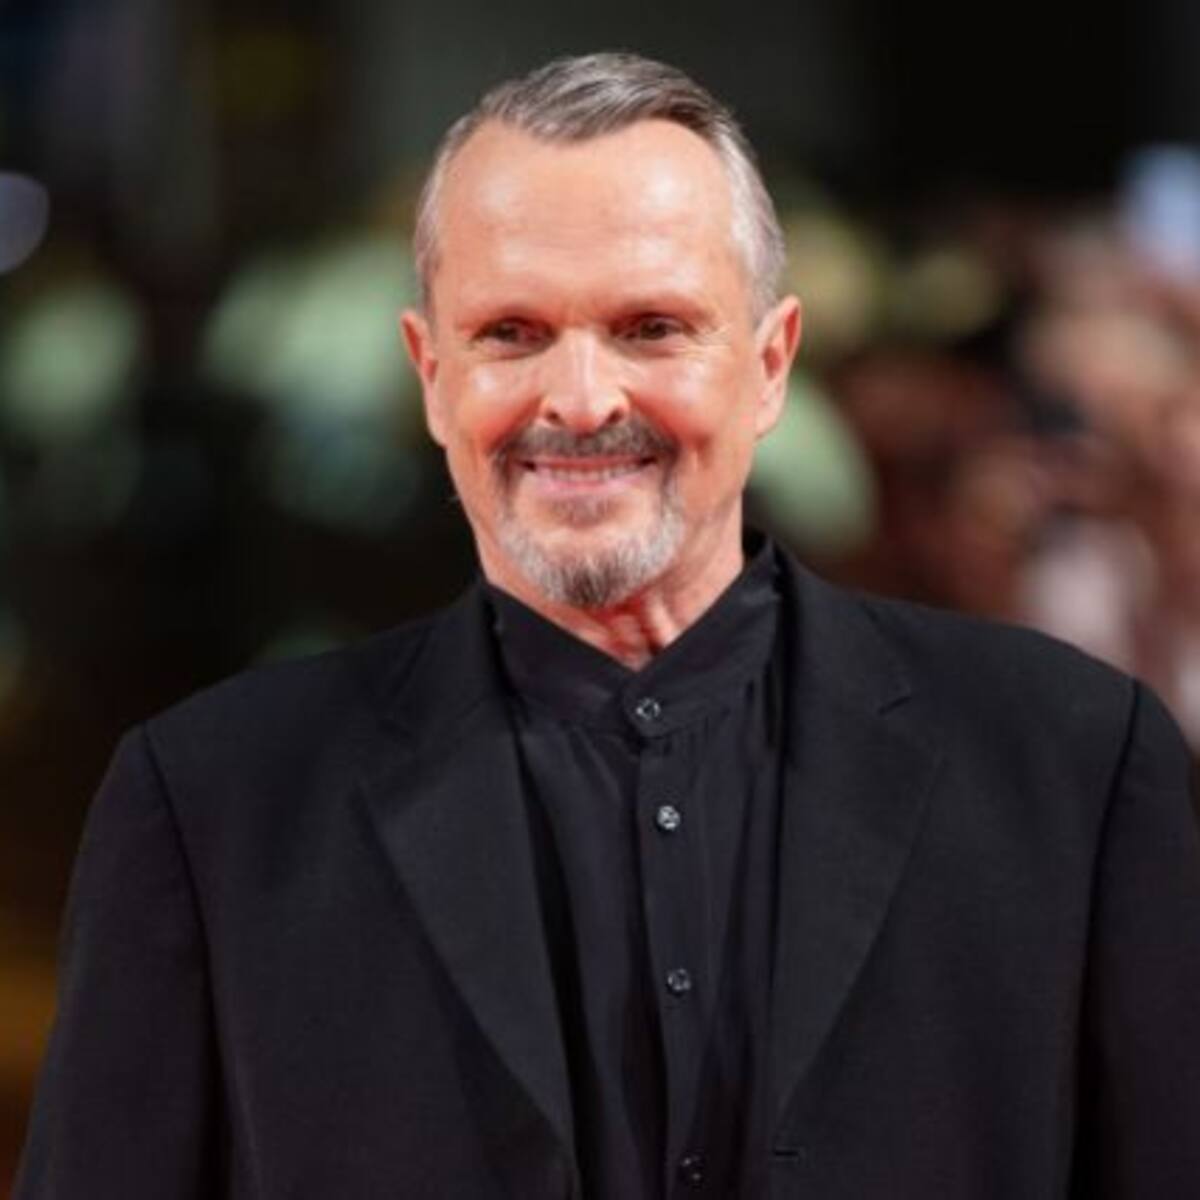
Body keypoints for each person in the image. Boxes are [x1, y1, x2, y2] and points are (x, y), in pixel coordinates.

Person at [15, 53, 1200, 1199]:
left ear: (771, 363)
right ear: (431, 375)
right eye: (511, 333)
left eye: (651, 327)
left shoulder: (1072, 765)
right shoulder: (215, 805)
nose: (581, 401)